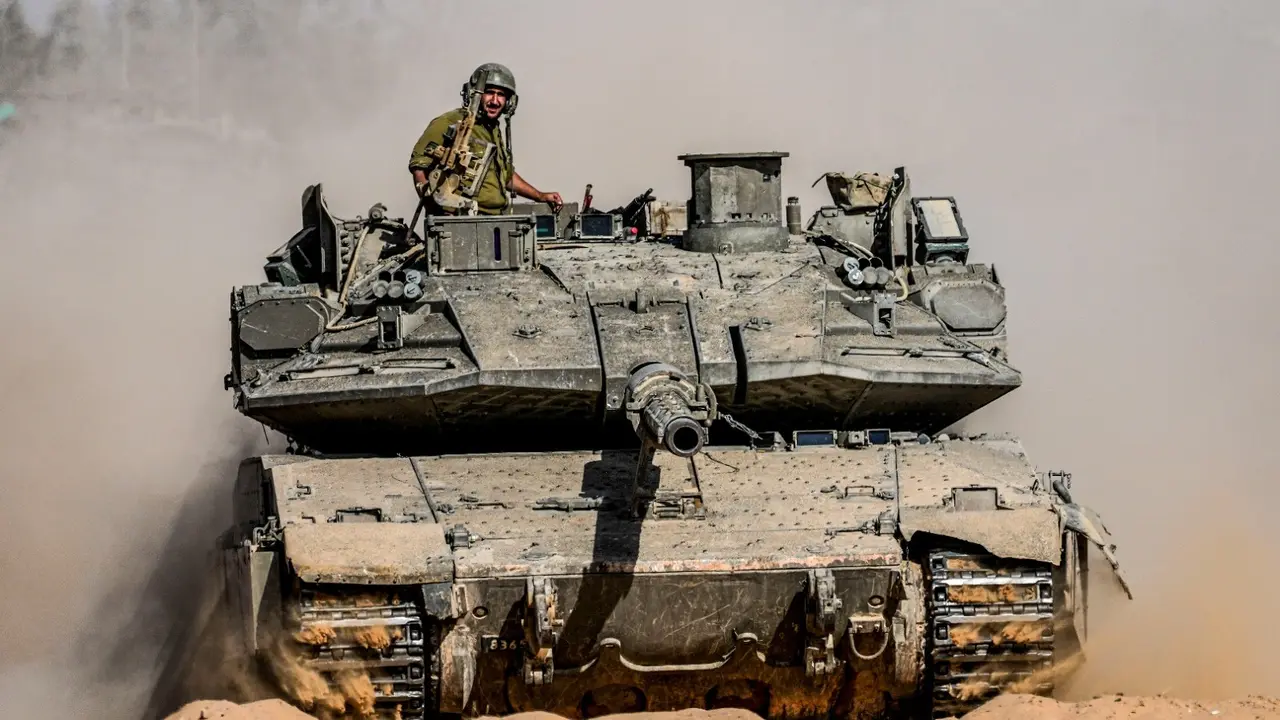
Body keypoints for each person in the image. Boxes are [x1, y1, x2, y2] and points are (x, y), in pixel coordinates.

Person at [408, 63, 562, 215]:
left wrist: (540, 196)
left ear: (509, 102)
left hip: (494, 219)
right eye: (489, 92)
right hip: (460, 219)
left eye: (501, 95)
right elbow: (419, 166)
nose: (495, 101)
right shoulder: (450, 121)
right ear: (475, 94)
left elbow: (506, 176)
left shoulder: (493, 130)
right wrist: (437, 209)